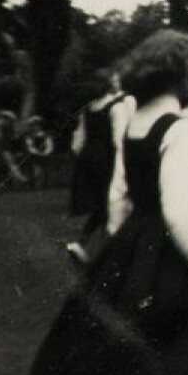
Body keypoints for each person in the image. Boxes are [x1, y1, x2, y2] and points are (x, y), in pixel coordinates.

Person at [24, 30, 188, 375]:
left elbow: (118, 196)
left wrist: (114, 252)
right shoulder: (181, 127)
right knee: (172, 364)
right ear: (176, 74)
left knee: (124, 360)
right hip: (172, 255)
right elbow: (180, 209)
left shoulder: (135, 120)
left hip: (131, 248)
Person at [66, 70, 135, 264]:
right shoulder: (116, 107)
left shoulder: (89, 108)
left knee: (103, 205)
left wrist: (81, 158)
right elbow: (119, 140)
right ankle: (95, 248)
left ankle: (89, 246)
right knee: (110, 203)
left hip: (89, 158)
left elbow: (78, 141)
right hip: (106, 159)